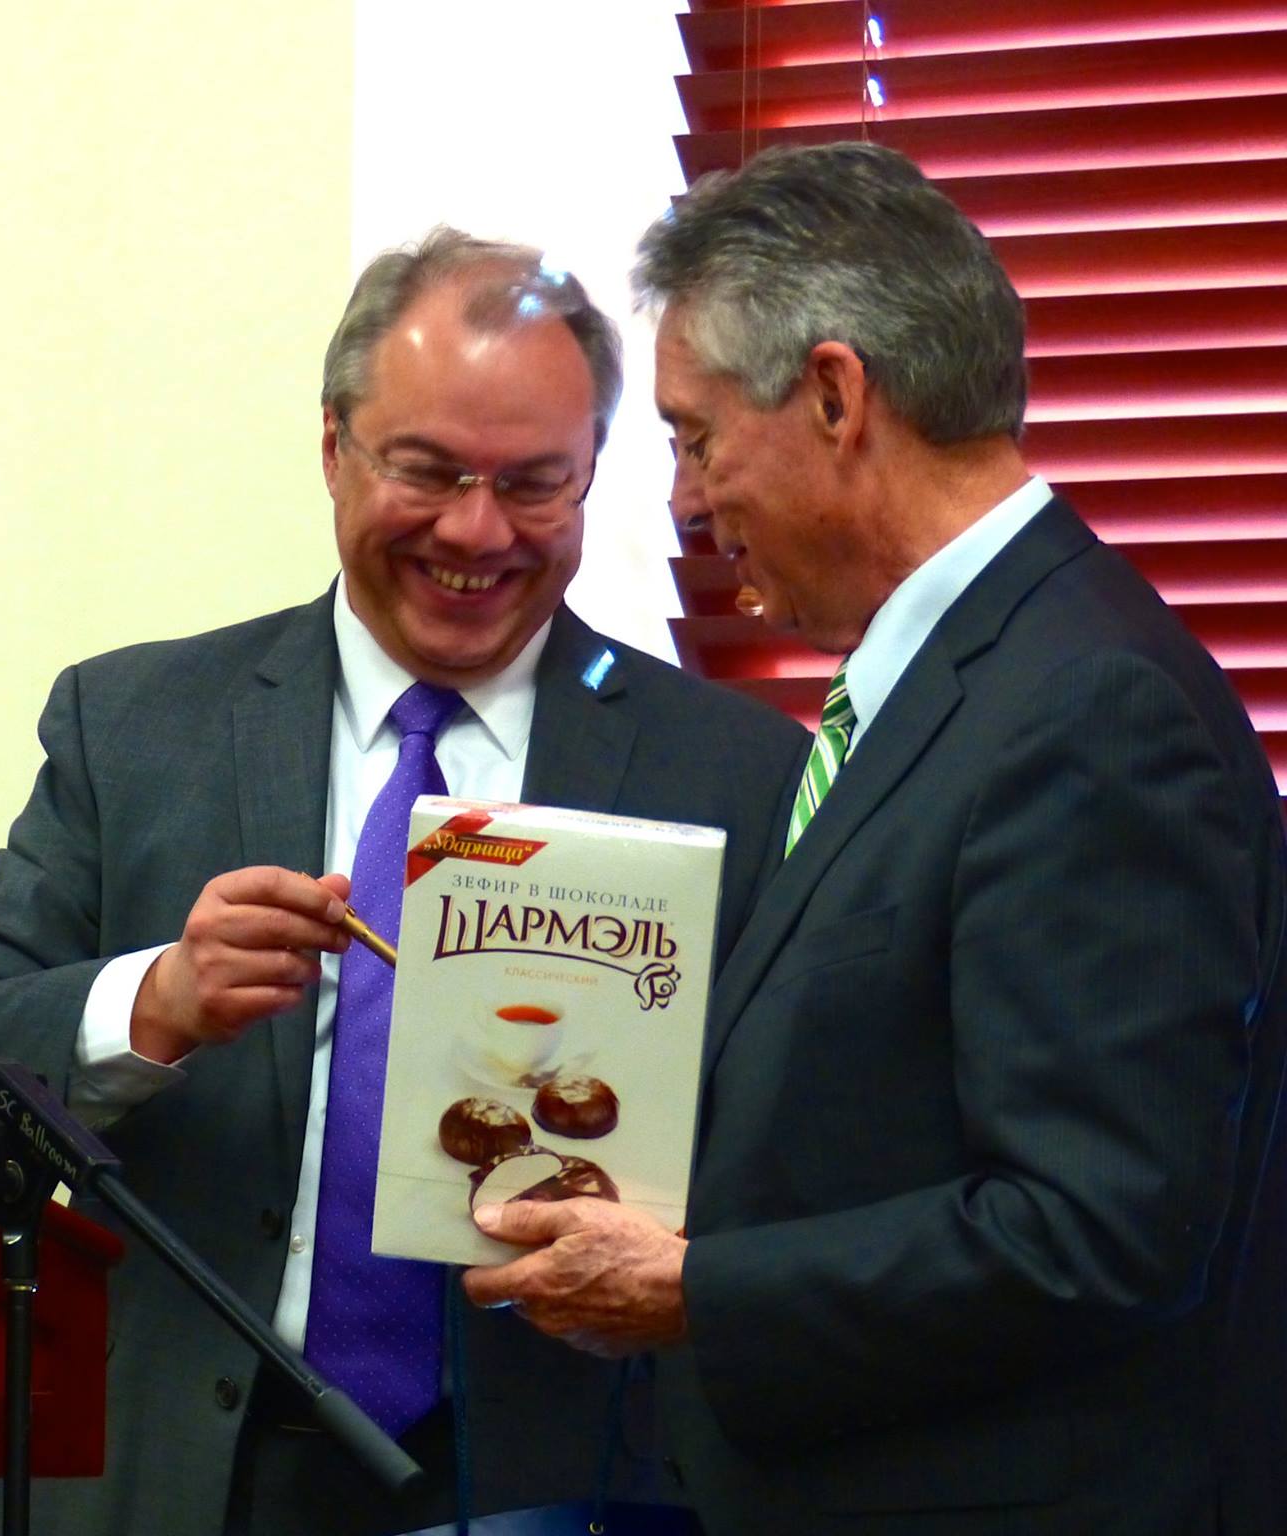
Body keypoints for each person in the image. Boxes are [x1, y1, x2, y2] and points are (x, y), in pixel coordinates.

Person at [0, 227, 807, 1536]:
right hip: (175, 1481)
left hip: (554, 1477)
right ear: (332, 449)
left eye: (535, 485)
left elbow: (811, 1170)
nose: (476, 532)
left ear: (597, 474)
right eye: (426, 472)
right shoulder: (138, 724)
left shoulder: (739, 775)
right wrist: (157, 1004)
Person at [463, 143, 1287, 1536]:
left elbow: (1094, 1231)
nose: (682, 500)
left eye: (696, 435)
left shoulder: (1085, 707)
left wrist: (691, 1289)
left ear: (836, 394)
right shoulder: (964, 677)